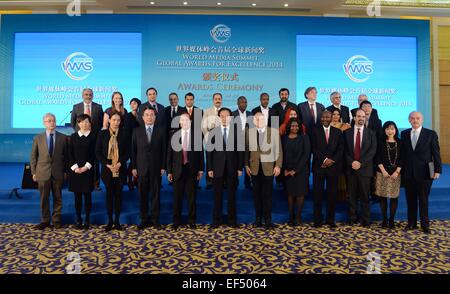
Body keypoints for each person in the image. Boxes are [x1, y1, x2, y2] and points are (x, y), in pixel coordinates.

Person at [401, 111, 442, 234]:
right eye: (412, 118)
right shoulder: (404, 133)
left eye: (418, 118)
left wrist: (438, 170)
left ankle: (425, 224)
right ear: (409, 120)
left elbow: (436, 153)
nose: (415, 120)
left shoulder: (430, 134)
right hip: (408, 173)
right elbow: (403, 154)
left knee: (423, 200)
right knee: (410, 200)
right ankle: (411, 223)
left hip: (425, 173)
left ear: (422, 120)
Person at [206, 108, 243, 228]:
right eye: (221, 116)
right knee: (217, 195)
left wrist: (239, 168)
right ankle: (216, 220)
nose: (224, 118)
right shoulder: (213, 131)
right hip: (217, 167)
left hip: (232, 167)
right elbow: (209, 151)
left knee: (232, 195)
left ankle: (232, 220)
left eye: (227, 116)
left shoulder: (237, 131)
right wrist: (210, 168)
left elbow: (240, 151)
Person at [30, 113, 68, 230]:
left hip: (58, 172)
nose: (52, 123)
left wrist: (66, 171)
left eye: (53, 121)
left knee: (58, 197)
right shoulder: (38, 138)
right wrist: (33, 172)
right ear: (44, 123)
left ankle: (56, 220)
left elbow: (66, 156)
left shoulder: (63, 137)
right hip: (42, 173)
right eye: (49, 121)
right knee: (44, 198)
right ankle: (45, 220)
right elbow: (33, 157)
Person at [245, 112, 283, 229]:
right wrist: (246, 165)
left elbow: (279, 150)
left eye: (260, 119)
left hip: (269, 168)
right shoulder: (248, 133)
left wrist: (278, 166)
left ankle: (268, 219)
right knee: (256, 195)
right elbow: (246, 151)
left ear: (265, 120)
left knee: (267, 195)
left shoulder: (274, 132)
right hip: (254, 168)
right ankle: (258, 219)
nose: (258, 121)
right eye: (256, 119)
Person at [167, 113, 204, 229]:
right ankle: (176, 221)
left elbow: (200, 154)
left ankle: (192, 220)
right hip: (177, 170)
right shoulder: (174, 135)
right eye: (182, 120)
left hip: (191, 170)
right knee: (177, 198)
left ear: (190, 122)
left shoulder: (197, 135)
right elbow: (169, 155)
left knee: (191, 198)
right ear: (179, 122)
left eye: (187, 120)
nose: (184, 122)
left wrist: (201, 169)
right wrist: (169, 171)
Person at [132, 108, 167, 230]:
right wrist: (134, 167)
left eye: (152, 115)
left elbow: (164, 151)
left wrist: (163, 166)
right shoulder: (136, 131)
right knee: (142, 194)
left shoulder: (161, 131)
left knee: (156, 194)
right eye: (147, 115)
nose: (149, 117)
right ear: (142, 117)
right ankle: (144, 218)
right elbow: (133, 151)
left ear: (155, 117)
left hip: (156, 167)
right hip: (141, 168)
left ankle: (155, 219)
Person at [96, 112, 130, 231]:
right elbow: (98, 152)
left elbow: (128, 152)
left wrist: (120, 163)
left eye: (118, 120)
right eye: (114, 120)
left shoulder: (125, 134)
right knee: (109, 195)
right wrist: (108, 165)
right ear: (109, 120)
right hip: (107, 169)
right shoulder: (102, 134)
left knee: (118, 195)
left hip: (120, 168)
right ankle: (110, 221)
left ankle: (117, 221)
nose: (116, 122)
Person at [343, 109, 377, 227]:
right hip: (350, 169)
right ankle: (352, 218)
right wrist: (352, 162)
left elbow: (372, 151)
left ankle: (366, 219)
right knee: (351, 196)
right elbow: (344, 150)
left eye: (363, 116)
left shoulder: (371, 133)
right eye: (358, 116)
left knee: (365, 196)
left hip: (365, 170)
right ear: (354, 118)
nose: (361, 118)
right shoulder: (347, 132)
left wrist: (360, 163)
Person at [311, 111, 344, 228]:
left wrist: (331, 160)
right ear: (320, 118)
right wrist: (324, 160)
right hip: (319, 167)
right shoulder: (314, 131)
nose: (325, 118)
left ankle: (330, 220)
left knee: (332, 195)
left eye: (328, 117)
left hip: (333, 168)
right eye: (323, 116)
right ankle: (317, 220)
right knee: (317, 195)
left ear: (332, 118)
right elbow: (313, 148)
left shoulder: (338, 132)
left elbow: (341, 150)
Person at [70, 88, 103, 191]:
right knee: (81, 159)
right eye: (86, 94)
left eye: (90, 94)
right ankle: (80, 181)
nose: (88, 96)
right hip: (80, 137)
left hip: (94, 138)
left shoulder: (98, 107)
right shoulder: (76, 107)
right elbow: (73, 122)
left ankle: (96, 183)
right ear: (82, 95)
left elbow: (101, 122)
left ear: (92, 95)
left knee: (95, 160)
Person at [68, 114, 96, 230]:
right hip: (75, 172)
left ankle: (87, 219)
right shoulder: (73, 137)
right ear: (78, 123)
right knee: (77, 197)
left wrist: (85, 167)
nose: (84, 124)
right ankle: (78, 219)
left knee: (87, 196)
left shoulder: (94, 137)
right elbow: (69, 154)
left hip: (87, 171)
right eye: (82, 122)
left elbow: (94, 154)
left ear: (90, 123)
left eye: (86, 122)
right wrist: (76, 168)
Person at [282, 118, 310, 226]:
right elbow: (281, 154)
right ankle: (291, 216)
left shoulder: (304, 137)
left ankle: (298, 217)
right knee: (290, 194)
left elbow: (306, 155)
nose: (295, 127)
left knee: (300, 194)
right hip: (287, 171)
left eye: (297, 126)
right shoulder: (284, 138)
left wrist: (295, 170)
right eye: (293, 126)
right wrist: (285, 169)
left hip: (301, 171)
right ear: (289, 126)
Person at [375, 121, 402, 229]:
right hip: (382, 173)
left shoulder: (400, 142)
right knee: (383, 197)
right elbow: (377, 158)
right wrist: (384, 171)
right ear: (384, 130)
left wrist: (396, 172)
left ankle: (391, 220)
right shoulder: (380, 142)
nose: (390, 131)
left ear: (395, 130)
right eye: (388, 129)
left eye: (392, 128)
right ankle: (384, 220)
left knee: (394, 197)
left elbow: (403, 158)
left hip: (396, 174)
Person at [201, 93, 223, 189]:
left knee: (221, 160)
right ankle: (209, 182)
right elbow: (203, 125)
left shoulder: (225, 111)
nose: (217, 100)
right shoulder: (207, 111)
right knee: (210, 159)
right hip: (210, 138)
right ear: (213, 100)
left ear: (221, 100)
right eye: (216, 99)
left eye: (219, 99)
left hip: (222, 140)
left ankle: (223, 181)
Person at [330, 109, 351, 202]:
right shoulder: (327, 126)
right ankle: (333, 194)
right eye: (333, 114)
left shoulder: (345, 126)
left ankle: (344, 194)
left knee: (343, 174)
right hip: (331, 154)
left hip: (342, 153)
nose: (335, 116)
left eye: (338, 114)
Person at [232, 96, 252, 189]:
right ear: (238, 103)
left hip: (248, 143)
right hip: (236, 143)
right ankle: (235, 183)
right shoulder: (232, 114)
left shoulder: (250, 114)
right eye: (242, 102)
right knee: (236, 162)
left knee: (248, 162)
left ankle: (247, 183)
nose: (244, 104)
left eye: (245, 102)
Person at [126, 98, 141, 190]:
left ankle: (136, 179)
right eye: (131, 103)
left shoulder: (141, 115)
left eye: (134, 103)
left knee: (138, 161)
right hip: (130, 142)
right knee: (132, 161)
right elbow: (127, 131)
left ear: (138, 105)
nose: (132, 105)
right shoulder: (128, 116)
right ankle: (130, 180)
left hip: (140, 142)